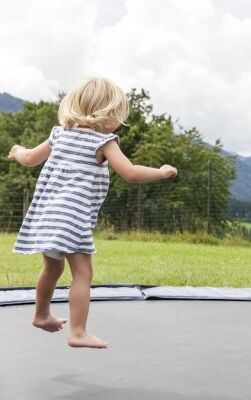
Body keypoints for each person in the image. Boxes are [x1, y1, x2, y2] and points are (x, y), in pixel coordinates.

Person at [8, 77, 178, 349]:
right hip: (72, 218)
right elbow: (131, 173)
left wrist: (16, 151)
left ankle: (41, 315)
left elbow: (29, 159)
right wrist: (161, 172)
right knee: (83, 274)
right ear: (106, 115)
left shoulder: (58, 134)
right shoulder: (104, 142)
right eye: (117, 115)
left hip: (47, 215)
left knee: (52, 267)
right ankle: (78, 332)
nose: (119, 122)